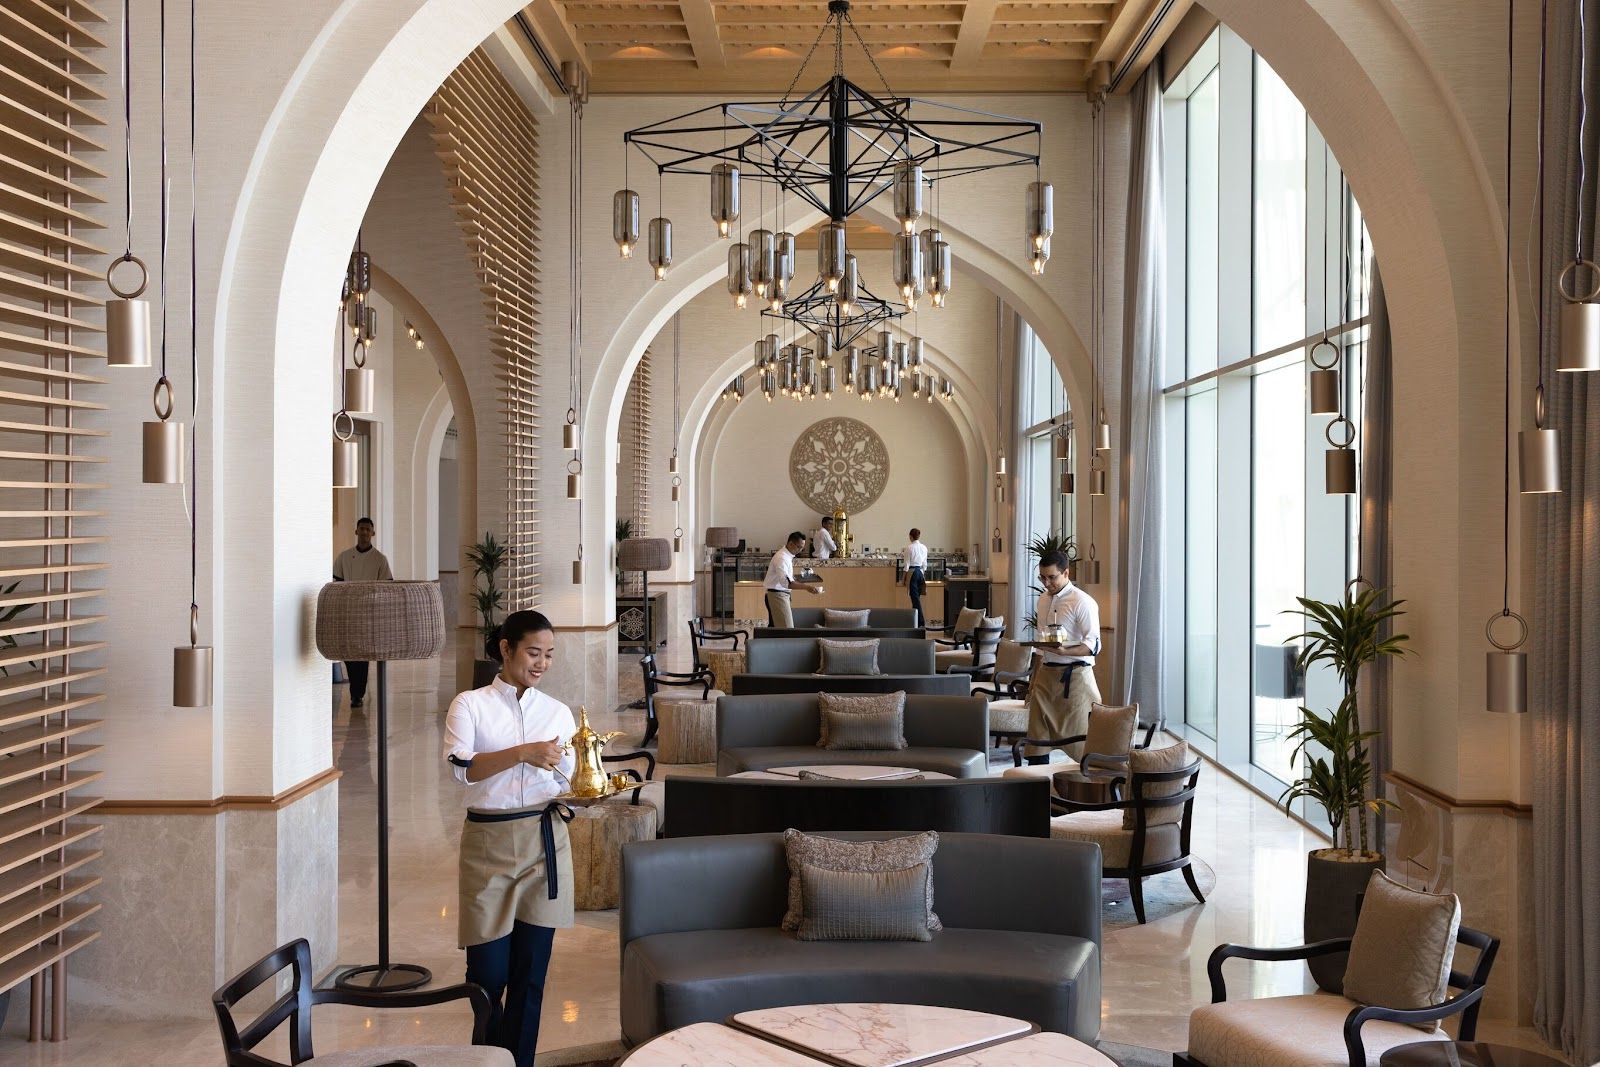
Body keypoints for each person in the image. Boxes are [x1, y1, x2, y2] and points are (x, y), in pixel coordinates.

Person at [442, 610, 577, 1067]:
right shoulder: (469, 704)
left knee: (530, 976)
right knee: (487, 977)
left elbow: (569, 780)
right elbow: (463, 769)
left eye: (549, 655)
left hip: (544, 842)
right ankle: (487, 1061)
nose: (542, 664)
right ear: (506, 648)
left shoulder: (557, 712)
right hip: (488, 844)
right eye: (533, 652)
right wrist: (522, 753)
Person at [1024, 550, 1103, 763]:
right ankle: (1036, 779)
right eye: (1042, 577)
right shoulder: (1043, 600)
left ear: (1066, 573)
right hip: (1046, 676)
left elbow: (1094, 645)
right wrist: (1033, 680)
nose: (1046, 583)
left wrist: (1065, 652)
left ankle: (1083, 778)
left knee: (1080, 737)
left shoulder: (1082, 601)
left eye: (1052, 577)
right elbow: (1041, 646)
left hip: (1075, 677)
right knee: (1037, 737)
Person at [332, 516, 393, 708]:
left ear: (373, 533)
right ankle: (355, 690)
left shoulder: (380, 559)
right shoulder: (344, 557)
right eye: (362, 528)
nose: (365, 532)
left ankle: (357, 694)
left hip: (368, 614)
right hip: (349, 612)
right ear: (356, 531)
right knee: (349, 653)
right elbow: (337, 583)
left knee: (362, 655)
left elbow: (387, 587)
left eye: (368, 529)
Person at [763, 531, 821, 627]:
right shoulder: (782, 558)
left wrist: (796, 579)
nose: (800, 550)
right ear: (790, 543)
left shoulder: (786, 556)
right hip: (777, 595)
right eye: (799, 547)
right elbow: (787, 583)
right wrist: (808, 587)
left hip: (778, 594)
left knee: (775, 628)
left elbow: (786, 578)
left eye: (802, 548)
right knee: (787, 629)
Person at [899, 528, 929, 627]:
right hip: (920, 572)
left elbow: (906, 565)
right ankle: (915, 622)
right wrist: (922, 574)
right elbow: (925, 564)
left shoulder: (909, 548)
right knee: (916, 599)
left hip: (912, 573)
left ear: (910, 536)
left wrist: (903, 579)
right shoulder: (924, 547)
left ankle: (921, 623)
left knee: (915, 600)